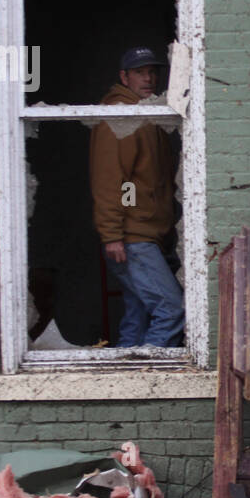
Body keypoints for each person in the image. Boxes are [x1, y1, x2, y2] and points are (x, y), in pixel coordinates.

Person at [89, 46, 185, 347]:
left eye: (153, 72)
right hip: (133, 238)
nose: (149, 78)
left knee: (139, 314)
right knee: (171, 310)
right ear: (124, 77)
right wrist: (113, 234)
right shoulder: (122, 114)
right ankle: (149, 378)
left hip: (146, 236)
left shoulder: (145, 111)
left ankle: (123, 378)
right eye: (140, 72)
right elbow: (109, 180)